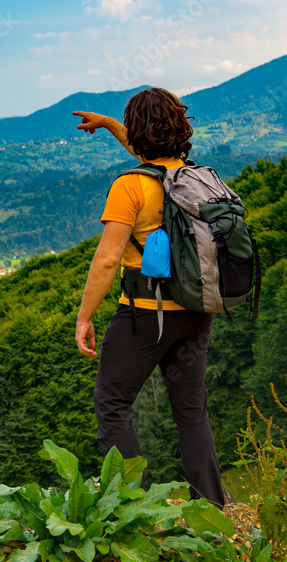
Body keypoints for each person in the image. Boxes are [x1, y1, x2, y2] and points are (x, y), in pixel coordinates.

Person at [72, 87, 226, 509]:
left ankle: (134, 512)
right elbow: (148, 154)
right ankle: (210, 508)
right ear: (180, 127)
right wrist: (106, 125)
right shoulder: (193, 177)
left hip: (144, 316)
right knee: (191, 410)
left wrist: (85, 317)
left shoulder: (131, 187)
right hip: (196, 310)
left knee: (113, 404)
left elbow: (106, 261)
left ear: (140, 133)